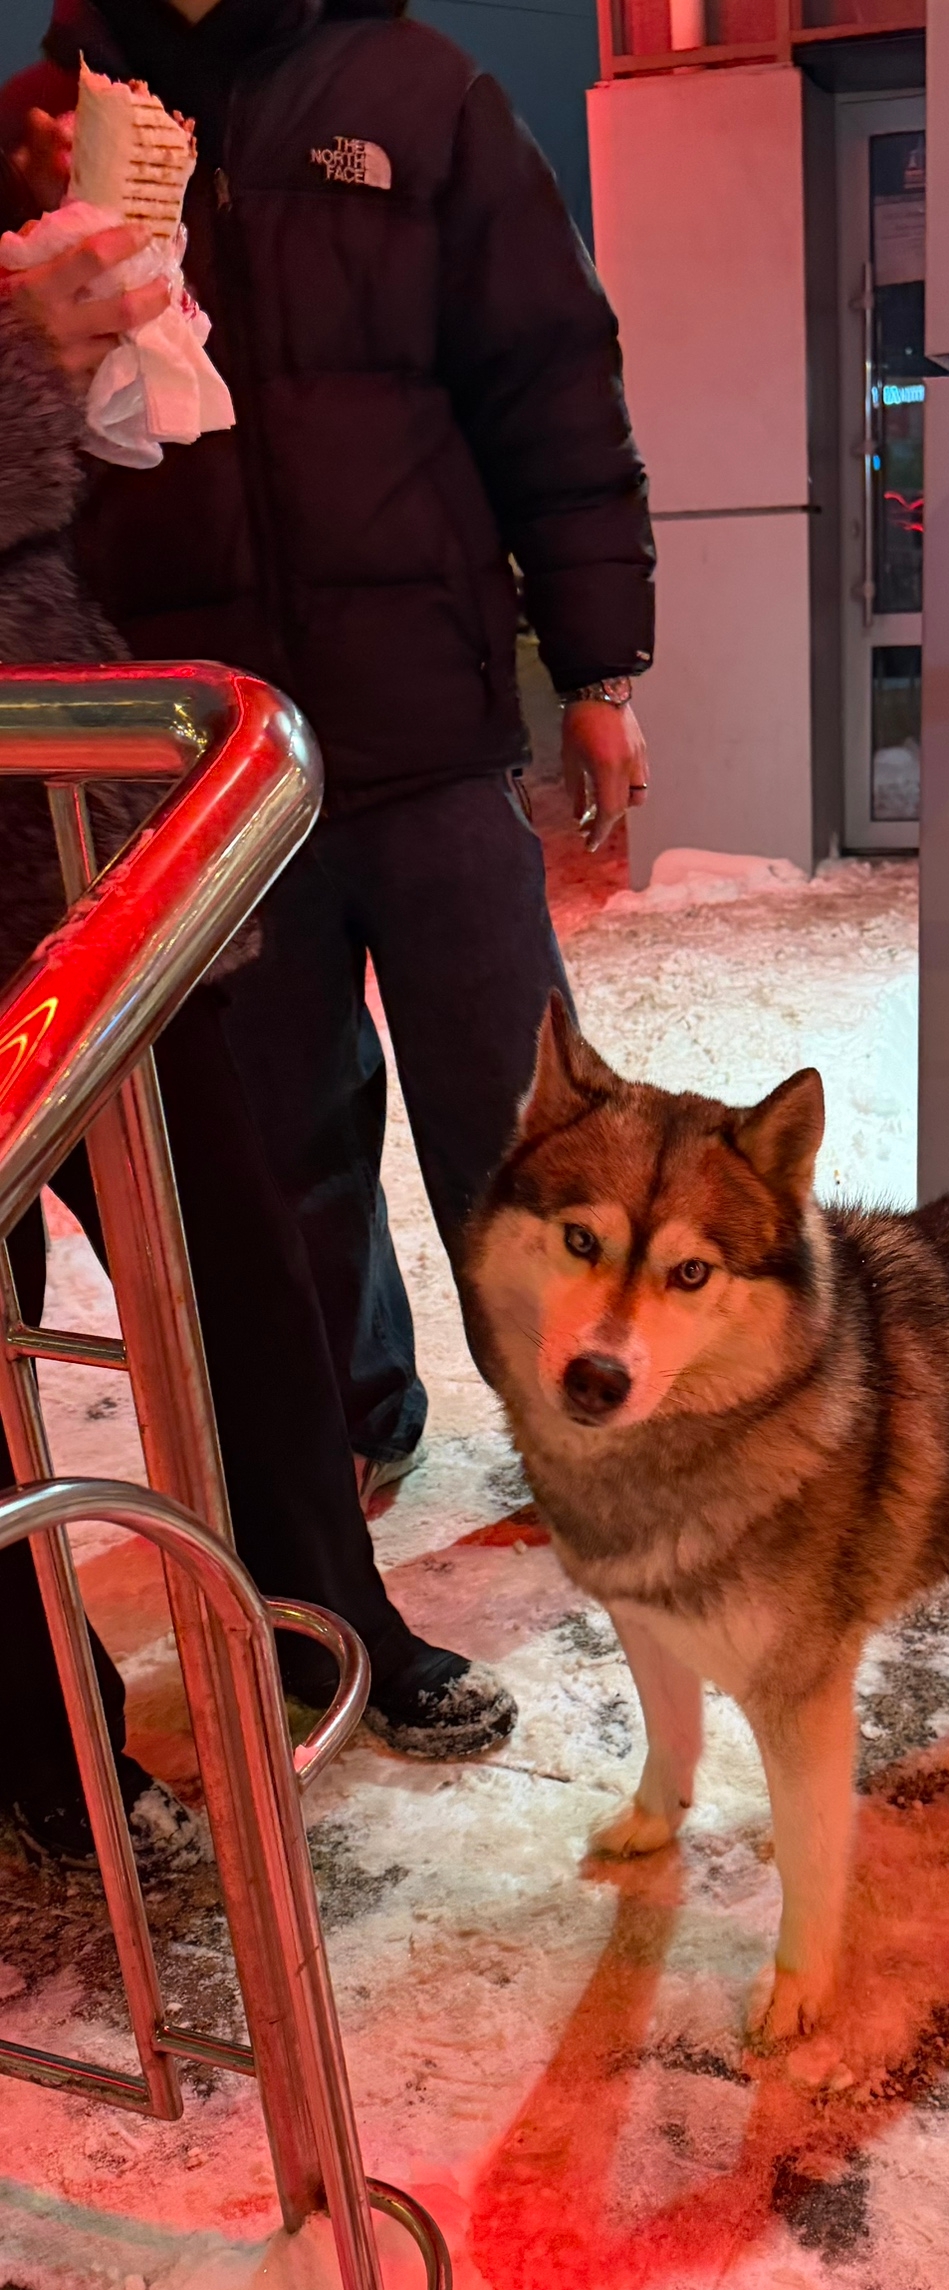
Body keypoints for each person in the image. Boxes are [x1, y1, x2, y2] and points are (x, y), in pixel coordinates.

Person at [1, 0, 656, 1504]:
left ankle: (581, 1428)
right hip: (199, 765)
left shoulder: (419, 90)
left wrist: (600, 666)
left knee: (526, 1123)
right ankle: (352, 1422)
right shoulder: (40, 120)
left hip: (425, 720)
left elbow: (552, 385)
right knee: (283, 1137)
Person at [0, 213, 520, 1864]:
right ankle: (42, 1737)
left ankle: (315, 1614)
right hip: (48, 856)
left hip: (86, 881)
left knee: (241, 1280)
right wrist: (22, 369)